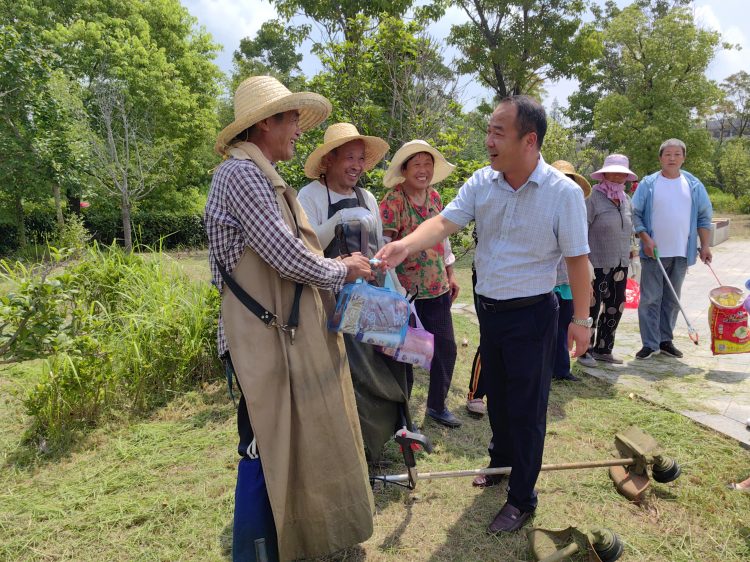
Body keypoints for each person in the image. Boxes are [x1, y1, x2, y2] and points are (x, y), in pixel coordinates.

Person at [376, 96, 591, 534]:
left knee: (527, 408)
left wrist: (581, 320)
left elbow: (577, 260)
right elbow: (444, 222)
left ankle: (522, 498)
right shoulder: (483, 181)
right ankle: (500, 462)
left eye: (498, 132)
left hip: (532, 315)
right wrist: (404, 245)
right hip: (489, 311)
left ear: (529, 140)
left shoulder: (563, 193)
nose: (489, 140)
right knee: (499, 398)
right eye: (489, 130)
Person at [204, 76, 374, 562]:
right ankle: (255, 550)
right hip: (259, 338)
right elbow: (285, 255)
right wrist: (342, 269)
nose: (299, 129)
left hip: (277, 333)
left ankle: (289, 540)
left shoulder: (265, 176)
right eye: (292, 119)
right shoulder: (241, 174)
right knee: (263, 443)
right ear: (265, 124)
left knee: (291, 441)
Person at [298, 122, 414, 462]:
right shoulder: (310, 196)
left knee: (387, 364)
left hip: (372, 297)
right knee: (348, 375)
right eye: (349, 157)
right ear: (329, 160)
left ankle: (381, 439)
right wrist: (337, 221)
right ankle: (351, 450)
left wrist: (395, 288)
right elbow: (306, 250)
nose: (357, 165)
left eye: (361, 159)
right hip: (331, 301)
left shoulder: (367, 197)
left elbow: (379, 249)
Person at [379, 140, 462, 428]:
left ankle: (437, 406)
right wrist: (395, 289)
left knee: (446, 348)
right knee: (404, 356)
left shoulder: (435, 197)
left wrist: (451, 273)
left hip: (437, 288)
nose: (423, 170)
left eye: (428, 164)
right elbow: (384, 247)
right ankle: (402, 418)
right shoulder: (393, 201)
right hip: (405, 294)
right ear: (404, 169)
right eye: (417, 164)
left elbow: (443, 239)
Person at [632, 138, 713, 359]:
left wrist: (705, 246)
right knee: (650, 299)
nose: (672, 158)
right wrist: (645, 238)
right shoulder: (649, 184)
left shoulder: (693, 184)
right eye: (667, 154)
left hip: (681, 252)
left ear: (683, 158)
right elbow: (635, 213)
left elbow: (704, 217)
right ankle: (650, 344)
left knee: (672, 299)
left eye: (677, 154)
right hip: (653, 253)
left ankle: (665, 340)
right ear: (660, 158)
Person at [577, 154, 637, 367]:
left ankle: (604, 349)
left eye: (622, 173)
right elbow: (582, 228)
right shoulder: (593, 198)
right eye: (613, 172)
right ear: (604, 174)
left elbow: (629, 228)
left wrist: (632, 252)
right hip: (597, 263)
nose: (618, 176)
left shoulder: (625, 199)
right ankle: (585, 350)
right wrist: (582, 259)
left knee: (615, 306)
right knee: (591, 308)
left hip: (620, 263)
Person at [550, 160, 593, 380]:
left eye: (568, 179)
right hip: (547, 279)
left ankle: (562, 369)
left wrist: (587, 282)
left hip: (568, 279)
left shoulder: (577, 210)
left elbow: (582, 252)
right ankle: (548, 369)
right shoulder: (542, 208)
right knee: (548, 327)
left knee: (566, 324)